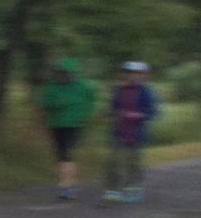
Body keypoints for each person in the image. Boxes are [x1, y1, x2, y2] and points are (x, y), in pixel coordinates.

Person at [39, 57, 97, 200]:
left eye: (67, 72)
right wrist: (55, 103)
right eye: (62, 72)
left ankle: (65, 186)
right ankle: (71, 182)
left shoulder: (83, 86)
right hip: (56, 124)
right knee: (60, 154)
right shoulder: (52, 86)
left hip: (74, 124)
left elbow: (92, 101)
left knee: (67, 152)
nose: (65, 75)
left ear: (73, 72)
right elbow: (45, 103)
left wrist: (86, 114)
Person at [104, 60, 161, 204]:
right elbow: (113, 108)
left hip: (136, 132)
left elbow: (154, 113)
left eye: (136, 73)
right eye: (129, 72)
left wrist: (137, 115)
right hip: (119, 131)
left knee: (133, 163)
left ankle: (133, 190)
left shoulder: (147, 92)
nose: (132, 76)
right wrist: (113, 115)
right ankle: (113, 191)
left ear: (143, 75)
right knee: (113, 161)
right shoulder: (119, 90)